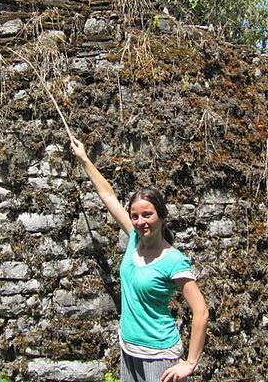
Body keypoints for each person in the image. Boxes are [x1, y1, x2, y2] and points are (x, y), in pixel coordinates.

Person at [70, 136, 209, 382]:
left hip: (160, 357)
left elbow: (201, 312)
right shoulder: (134, 240)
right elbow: (109, 197)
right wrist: (84, 160)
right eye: (135, 216)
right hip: (129, 351)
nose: (140, 222)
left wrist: (189, 363)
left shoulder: (173, 260)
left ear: (162, 216)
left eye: (147, 214)